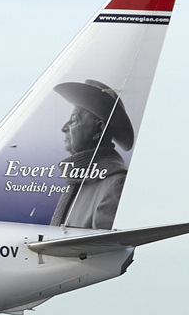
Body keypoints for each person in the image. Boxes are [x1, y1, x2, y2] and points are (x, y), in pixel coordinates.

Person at [49, 79, 133, 229]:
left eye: (74, 120)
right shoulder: (80, 180)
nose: (64, 128)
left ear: (99, 130)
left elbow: (104, 248)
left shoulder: (115, 183)